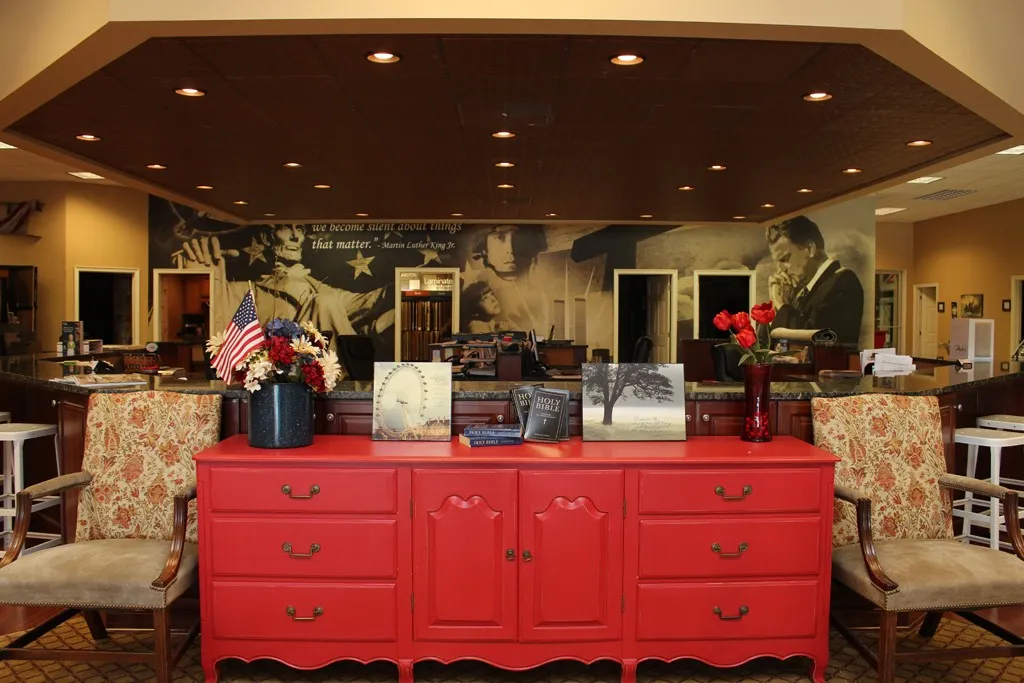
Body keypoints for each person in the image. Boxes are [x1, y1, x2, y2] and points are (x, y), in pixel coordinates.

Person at [180, 225, 393, 349]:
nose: (294, 236)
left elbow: (371, 300)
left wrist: (406, 282)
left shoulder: (323, 292)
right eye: (285, 228)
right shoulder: (248, 290)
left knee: (325, 302)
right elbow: (219, 322)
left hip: (326, 376)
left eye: (299, 229)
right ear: (267, 237)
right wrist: (208, 276)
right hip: (277, 375)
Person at [766, 215, 864, 345]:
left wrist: (783, 305)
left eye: (785, 259)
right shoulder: (801, 289)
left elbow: (818, 341)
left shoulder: (843, 282)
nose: (780, 270)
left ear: (810, 249)